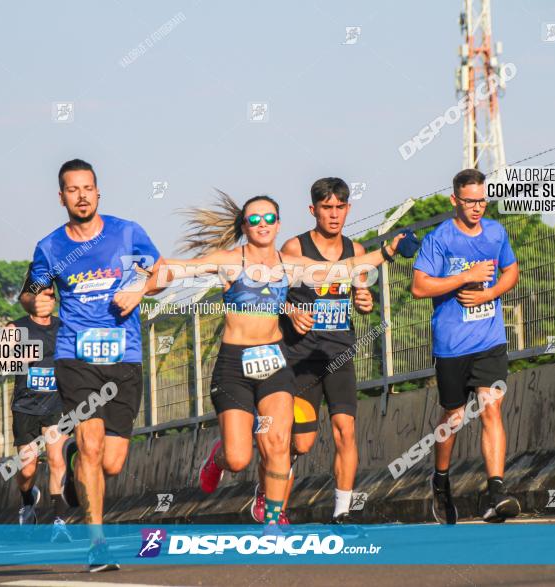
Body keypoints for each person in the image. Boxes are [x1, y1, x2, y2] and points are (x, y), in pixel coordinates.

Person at [156, 191, 412, 527]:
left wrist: (389, 251)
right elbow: (180, 269)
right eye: (254, 219)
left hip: (275, 363)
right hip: (235, 364)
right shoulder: (231, 261)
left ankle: (273, 522)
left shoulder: (289, 266)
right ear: (245, 226)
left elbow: (344, 269)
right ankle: (217, 458)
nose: (262, 224)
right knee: (238, 457)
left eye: (269, 219)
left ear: (278, 224)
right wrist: (142, 281)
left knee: (278, 442)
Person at [20, 159, 164, 572]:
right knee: (92, 445)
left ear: (98, 193)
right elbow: (29, 294)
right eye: (72, 189)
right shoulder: (50, 246)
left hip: (124, 358)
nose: (81, 195)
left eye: (88, 188)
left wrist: (139, 288)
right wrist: (37, 301)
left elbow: (162, 271)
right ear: (61, 196)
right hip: (76, 357)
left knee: (113, 461)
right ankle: (96, 544)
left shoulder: (126, 232)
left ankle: (68, 463)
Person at [250, 177, 386, 525]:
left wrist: (365, 301)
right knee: (302, 443)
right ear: (313, 210)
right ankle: (269, 489)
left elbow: (362, 301)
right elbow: (267, 295)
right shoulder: (295, 249)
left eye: (340, 207)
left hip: (338, 355)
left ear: (348, 209)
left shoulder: (356, 253)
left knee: (346, 429)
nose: (334, 214)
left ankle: (342, 511)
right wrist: (291, 311)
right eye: (327, 208)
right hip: (300, 360)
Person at [411, 168, 520, 524]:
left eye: (482, 200)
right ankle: (441, 482)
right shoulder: (439, 239)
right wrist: (466, 277)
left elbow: (511, 271)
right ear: (455, 200)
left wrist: (489, 292)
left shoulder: (495, 232)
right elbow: (419, 287)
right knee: (454, 418)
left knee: (491, 409)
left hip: (489, 339)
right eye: (470, 201)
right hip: (452, 344)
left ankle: (496, 491)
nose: (478, 207)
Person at [7, 289, 72, 542]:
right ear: (30, 301)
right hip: (25, 406)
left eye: (50, 295)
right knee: (26, 469)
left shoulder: (64, 326)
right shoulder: (16, 327)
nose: (45, 300)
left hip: (56, 405)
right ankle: (27, 500)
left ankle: (59, 521)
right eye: (40, 296)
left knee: (58, 460)